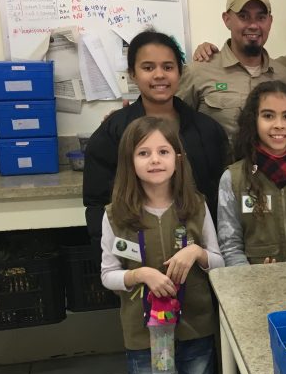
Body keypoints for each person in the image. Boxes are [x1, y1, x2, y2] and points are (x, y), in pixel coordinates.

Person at [99, 116, 225, 374]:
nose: (155, 160)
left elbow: (221, 261)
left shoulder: (196, 207)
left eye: (163, 151)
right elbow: (107, 274)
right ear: (130, 161)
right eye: (144, 152)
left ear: (178, 158)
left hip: (196, 327)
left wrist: (197, 255)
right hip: (144, 333)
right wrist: (140, 274)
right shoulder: (116, 214)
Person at [83, 30, 230, 246]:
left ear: (180, 72)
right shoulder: (114, 131)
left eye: (168, 67)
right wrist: (119, 260)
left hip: (198, 253)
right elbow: (98, 204)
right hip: (138, 254)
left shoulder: (207, 130)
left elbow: (221, 199)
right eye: (148, 67)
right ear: (132, 73)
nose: (159, 75)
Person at [177, 0, 286, 150]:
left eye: (261, 17)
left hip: (271, 174)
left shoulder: (282, 76)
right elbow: (175, 130)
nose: (253, 25)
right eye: (244, 16)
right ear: (227, 19)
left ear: (270, 21)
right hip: (216, 174)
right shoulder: (199, 71)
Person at [217, 81, 286, 265]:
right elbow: (230, 246)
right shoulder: (233, 178)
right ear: (253, 121)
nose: (279, 125)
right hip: (255, 286)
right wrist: (253, 279)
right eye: (268, 116)